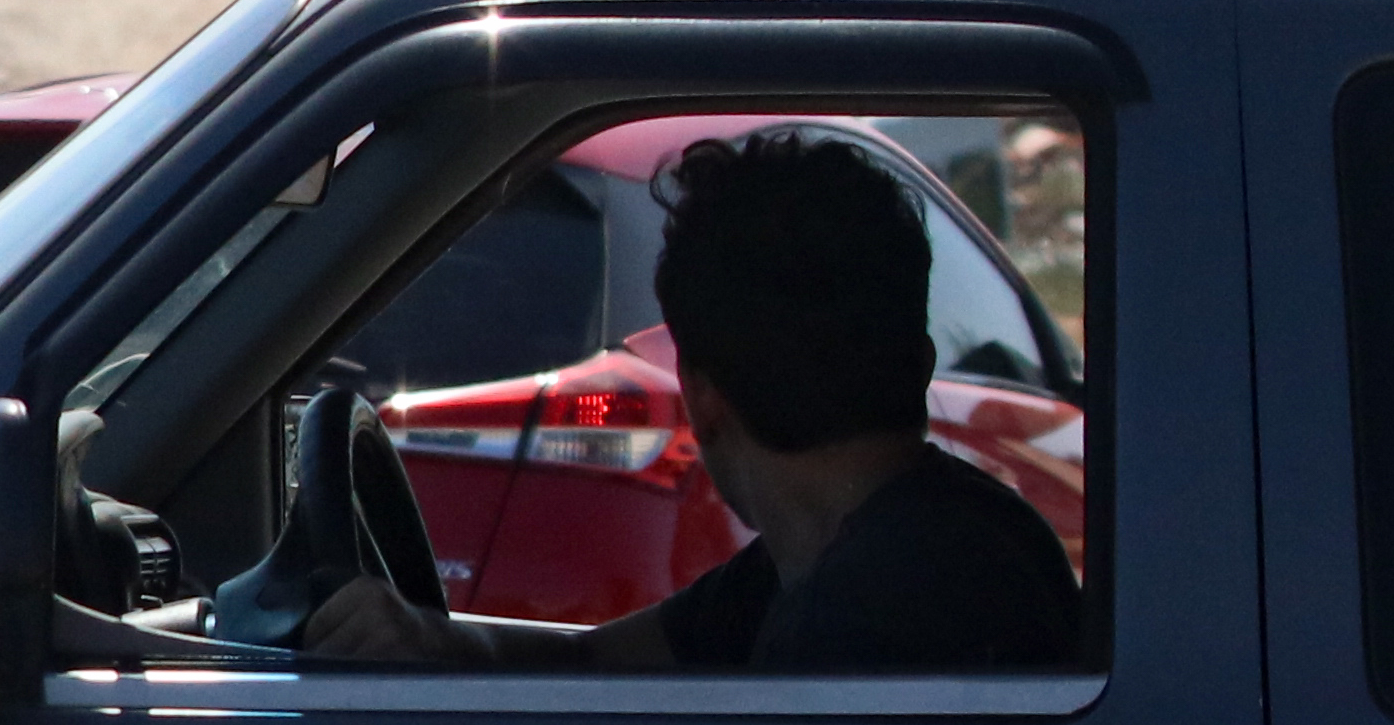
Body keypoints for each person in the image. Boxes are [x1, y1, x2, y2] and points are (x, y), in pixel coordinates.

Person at [308, 126, 1081, 675]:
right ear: (920, 363)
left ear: (703, 400)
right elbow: (597, 658)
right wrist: (432, 643)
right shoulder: (890, 550)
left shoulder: (861, 619)